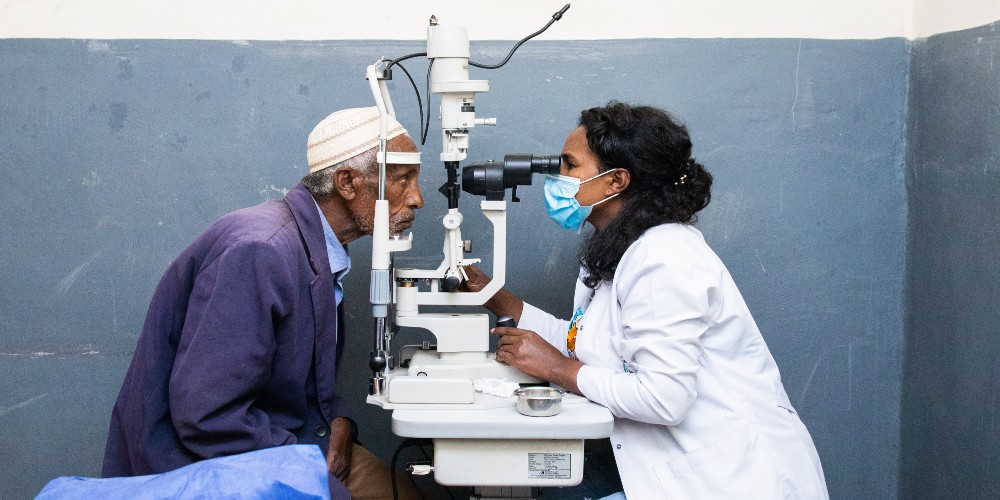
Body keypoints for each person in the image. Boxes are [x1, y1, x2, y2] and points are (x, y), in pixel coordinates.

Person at [466, 101, 829, 499]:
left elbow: (664, 398)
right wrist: (490, 293)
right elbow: (581, 341)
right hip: (673, 465)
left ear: (615, 181)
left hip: (728, 479)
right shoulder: (622, 250)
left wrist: (559, 370)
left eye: (570, 166)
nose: (559, 176)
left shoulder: (663, 258)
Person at [102, 107, 424, 500]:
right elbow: (208, 416)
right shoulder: (260, 251)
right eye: (403, 179)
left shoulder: (318, 249)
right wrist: (305, 466)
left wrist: (339, 421)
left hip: (295, 438)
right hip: (206, 462)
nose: (417, 198)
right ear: (347, 182)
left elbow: (301, 380)